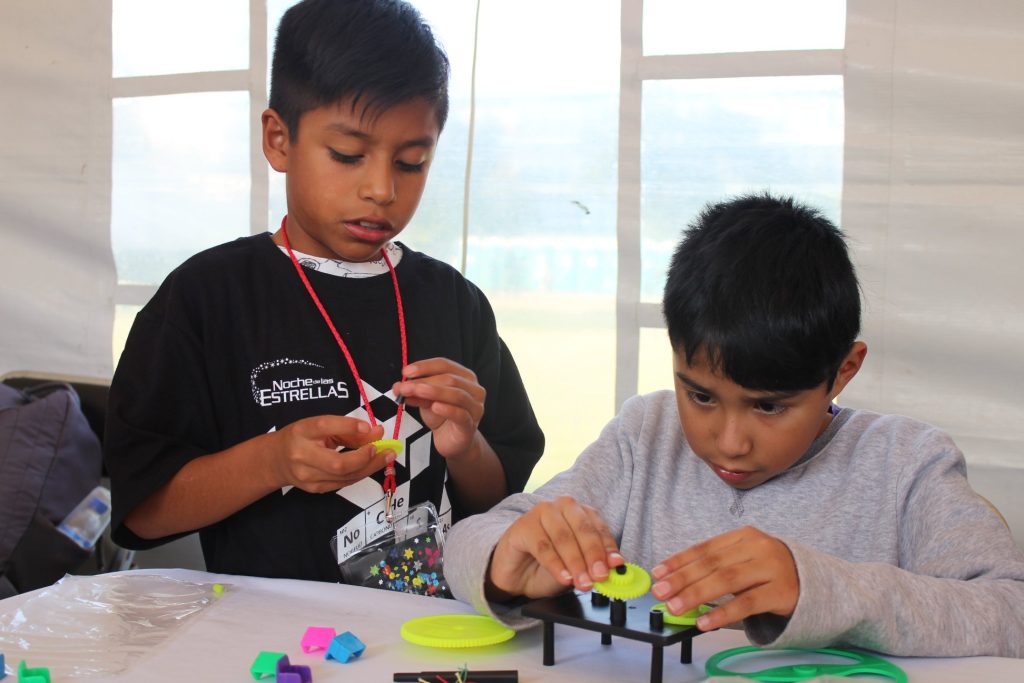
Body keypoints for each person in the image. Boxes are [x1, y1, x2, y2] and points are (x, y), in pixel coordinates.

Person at [443, 192, 1024, 657]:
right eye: (699, 395)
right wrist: (503, 564)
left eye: (769, 406)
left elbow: (1010, 614)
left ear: (843, 371)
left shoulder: (907, 464)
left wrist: (821, 588)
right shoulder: (645, 437)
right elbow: (470, 543)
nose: (728, 441)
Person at [103, 0, 544, 584]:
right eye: (347, 155)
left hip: (429, 639)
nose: (381, 189)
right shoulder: (206, 300)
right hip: (275, 654)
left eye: (411, 162)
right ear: (279, 139)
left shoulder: (455, 302)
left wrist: (464, 448)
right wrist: (272, 460)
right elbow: (143, 512)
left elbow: (499, 498)